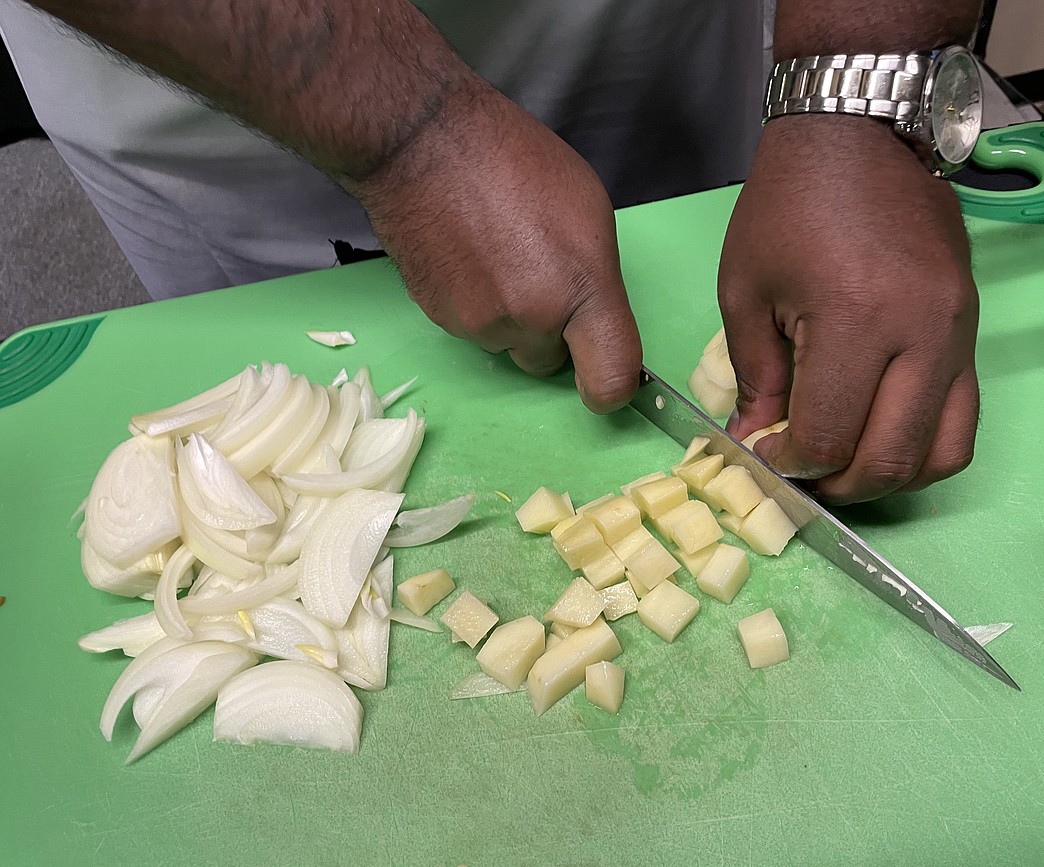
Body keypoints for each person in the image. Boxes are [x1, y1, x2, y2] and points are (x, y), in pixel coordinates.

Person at [1, 0, 983, 505]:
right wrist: (406, 132)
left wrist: (864, 73)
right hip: (229, 71)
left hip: (662, 24)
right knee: (285, 445)